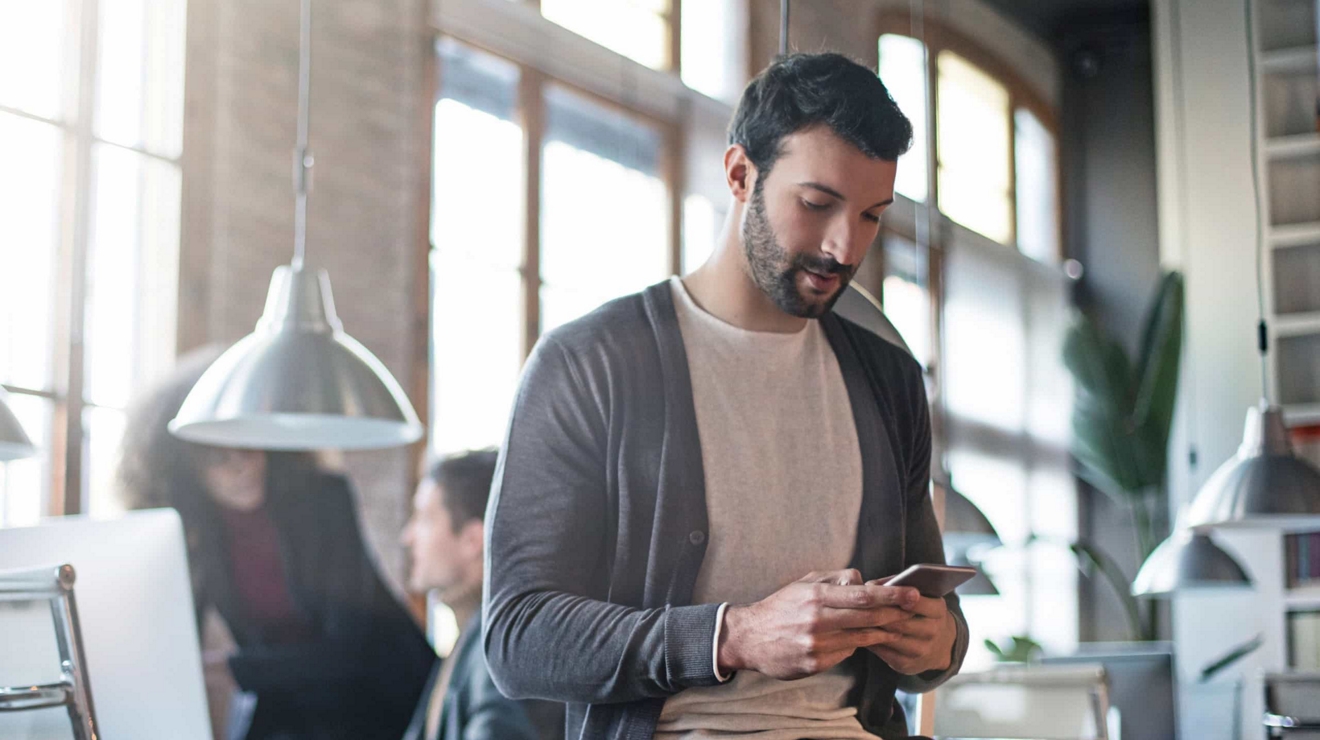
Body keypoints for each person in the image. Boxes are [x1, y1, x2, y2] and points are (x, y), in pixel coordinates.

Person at [483, 52, 969, 740]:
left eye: (871, 216)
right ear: (741, 174)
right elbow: (519, 637)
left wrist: (934, 643)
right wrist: (732, 635)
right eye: (817, 204)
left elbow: (937, 636)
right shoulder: (590, 362)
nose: (843, 246)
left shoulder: (888, 381)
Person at [116, 347, 434, 740]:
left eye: (248, 444)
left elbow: (353, 646)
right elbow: (182, 634)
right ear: (183, 465)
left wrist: (235, 669)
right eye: (217, 455)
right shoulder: (192, 530)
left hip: (383, 696)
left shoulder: (323, 498)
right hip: (289, 701)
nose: (241, 465)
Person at [400, 449, 563, 740]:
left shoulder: (501, 646)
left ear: (473, 539)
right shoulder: (470, 635)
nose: (408, 536)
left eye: (424, 519)